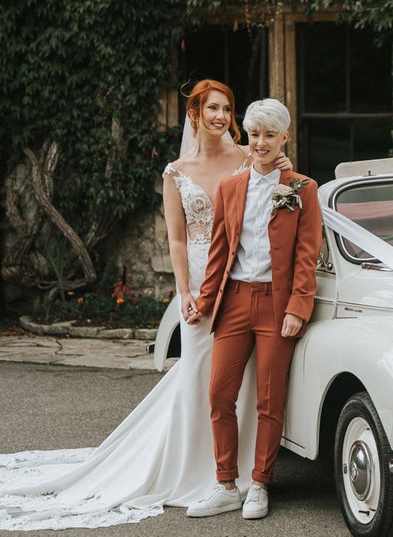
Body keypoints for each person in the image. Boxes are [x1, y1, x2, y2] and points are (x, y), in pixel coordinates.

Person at [0, 80, 292, 531]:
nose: (221, 116)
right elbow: (176, 237)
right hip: (198, 279)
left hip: (242, 281)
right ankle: (197, 471)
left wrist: (283, 165)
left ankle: (242, 473)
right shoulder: (176, 172)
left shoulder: (246, 157)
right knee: (202, 376)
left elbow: (277, 181)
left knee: (247, 379)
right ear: (194, 113)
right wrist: (185, 292)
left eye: (227, 108)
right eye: (212, 108)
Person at [185, 98, 321, 521]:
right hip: (235, 303)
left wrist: (298, 306)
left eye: (269, 135)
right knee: (219, 394)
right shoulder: (230, 186)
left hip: (278, 306)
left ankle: (260, 483)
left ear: (284, 136)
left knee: (269, 398)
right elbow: (219, 252)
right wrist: (205, 301)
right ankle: (226, 483)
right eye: (254, 134)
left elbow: (307, 255)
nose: (260, 143)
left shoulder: (302, 188)